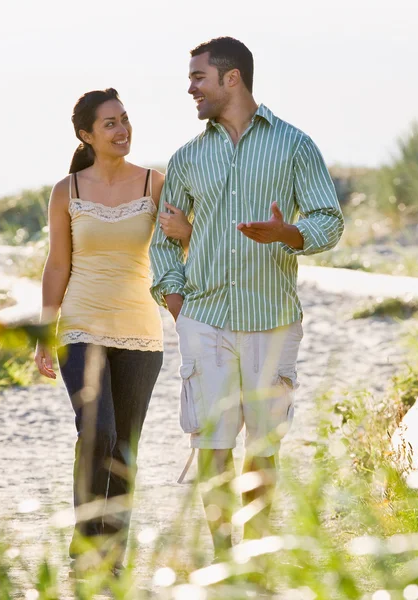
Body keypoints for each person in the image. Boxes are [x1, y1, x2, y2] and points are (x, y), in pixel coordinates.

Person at [149, 37, 344, 556]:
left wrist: (290, 234)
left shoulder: (295, 146)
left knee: (263, 447)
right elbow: (163, 244)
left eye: (198, 78)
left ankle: (255, 560)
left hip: (273, 318)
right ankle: (223, 558)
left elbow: (329, 219)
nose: (190, 88)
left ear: (230, 78)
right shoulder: (187, 158)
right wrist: (178, 306)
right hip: (206, 319)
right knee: (212, 443)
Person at [33, 88, 192, 575]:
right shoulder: (69, 190)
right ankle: (85, 549)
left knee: (125, 448)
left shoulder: (154, 182)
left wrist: (186, 234)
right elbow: (58, 264)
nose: (122, 130)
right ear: (87, 135)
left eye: (124, 120)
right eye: (110, 124)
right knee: (96, 431)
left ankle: (113, 560)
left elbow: (177, 252)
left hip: (141, 331)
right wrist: (44, 331)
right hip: (80, 327)